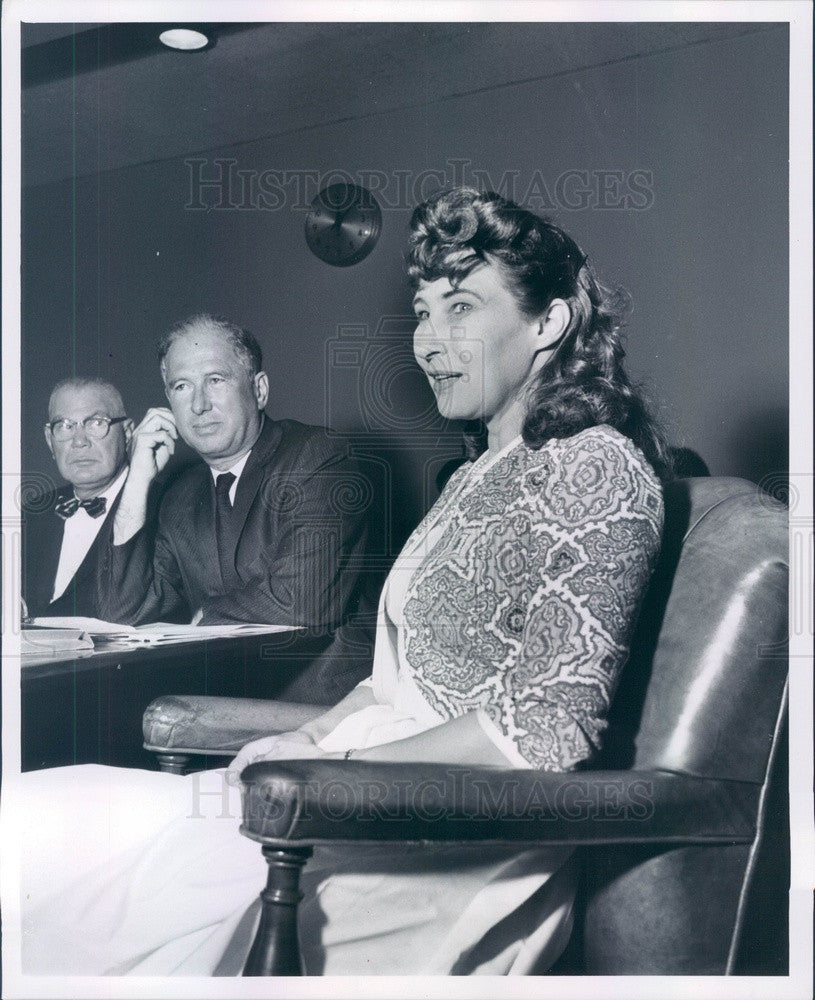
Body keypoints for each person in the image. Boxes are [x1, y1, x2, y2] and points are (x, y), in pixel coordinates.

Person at [17, 188, 667, 976]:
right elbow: (393, 682)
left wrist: (338, 772)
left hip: (445, 829)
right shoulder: (476, 474)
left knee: (89, 901)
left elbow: (546, 735)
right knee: (40, 810)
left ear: (549, 322)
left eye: (460, 306)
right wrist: (309, 735)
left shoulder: (594, 464)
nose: (429, 341)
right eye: (422, 313)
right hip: (348, 774)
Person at [97, 313, 373, 702]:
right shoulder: (180, 494)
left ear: (259, 390)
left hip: (324, 710)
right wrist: (137, 480)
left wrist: (205, 616)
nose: (198, 405)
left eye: (216, 380)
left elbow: (303, 602)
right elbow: (122, 612)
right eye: (181, 386)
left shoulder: (318, 456)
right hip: (225, 704)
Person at [22, 377, 135, 618]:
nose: (79, 441)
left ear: (127, 433)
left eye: (96, 423)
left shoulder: (164, 507)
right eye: (64, 426)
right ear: (49, 441)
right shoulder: (30, 513)